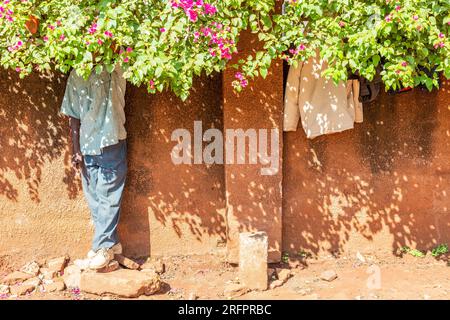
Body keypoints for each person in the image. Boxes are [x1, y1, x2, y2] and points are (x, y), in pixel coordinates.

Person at [60, 64, 128, 270]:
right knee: (94, 198)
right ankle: (109, 244)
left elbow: (73, 116)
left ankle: (103, 247)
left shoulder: (116, 68)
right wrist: (76, 149)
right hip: (88, 144)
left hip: (111, 140)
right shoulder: (77, 73)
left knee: (108, 195)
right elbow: (73, 116)